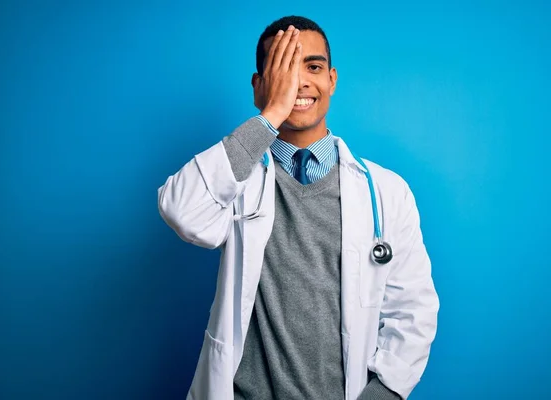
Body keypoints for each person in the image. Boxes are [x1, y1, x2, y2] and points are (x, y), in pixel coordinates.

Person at [158, 15, 439, 400]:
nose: (300, 82)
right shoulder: (239, 178)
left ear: (332, 80)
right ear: (260, 86)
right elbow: (181, 209)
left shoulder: (387, 193)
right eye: (283, 68)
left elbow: (414, 313)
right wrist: (270, 114)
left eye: (313, 67)